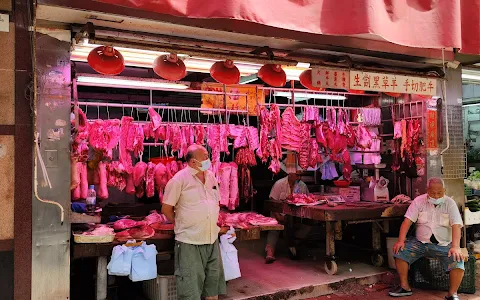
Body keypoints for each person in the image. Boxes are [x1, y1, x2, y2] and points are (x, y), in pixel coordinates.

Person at [162, 145, 226, 300]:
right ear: (192, 162)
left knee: (213, 288)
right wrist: (182, 223)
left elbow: (216, 202)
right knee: (190, 292)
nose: (208, 160)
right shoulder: (178, 180)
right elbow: (166, 209)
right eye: (204, 157)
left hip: (211, 240)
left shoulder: (210, 176)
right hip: (189, 242)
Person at [389, 177, 465, 300]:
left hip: (444, 244)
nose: (436, 196)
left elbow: (456, 225)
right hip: (420, 243)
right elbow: (407, 222)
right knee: (400, 252)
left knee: (458, 260)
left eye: (439, 192)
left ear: (444, 190)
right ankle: (405, 287)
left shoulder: (450, 203)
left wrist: (456, 246)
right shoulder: (418, 201)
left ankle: (452, 294)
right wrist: (400, 241)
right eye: (433, 192)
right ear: (427, 190)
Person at [265, 170, 310, 264]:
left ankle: (294, 245)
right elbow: (272, 202)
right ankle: (270, 252)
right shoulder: (279, 184)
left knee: (306, 227)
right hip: (279, 213)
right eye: (297, 175)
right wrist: (278, 216)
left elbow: (307, 200)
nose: (299, 178)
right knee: (274, 228)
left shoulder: (302, 186)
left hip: (295, 214)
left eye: (300, 176)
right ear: (290, 174)